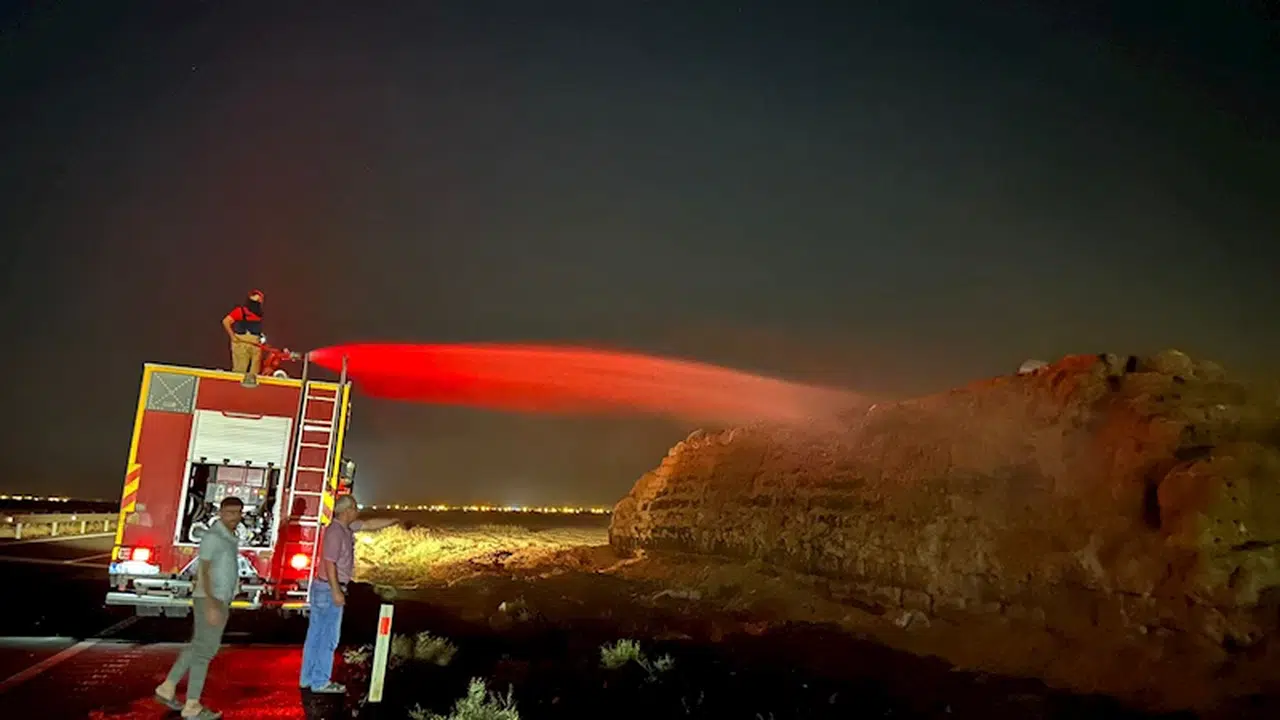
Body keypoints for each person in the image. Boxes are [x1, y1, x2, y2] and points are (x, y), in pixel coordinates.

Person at [155, 496, 244, 719]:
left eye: (238, 512)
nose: (235, 517)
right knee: (205, 652)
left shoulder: (229, 537)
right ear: (221, 513)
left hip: (218, 599)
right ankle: (192, 705)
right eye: (230, 512)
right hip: (210, 599)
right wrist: (212, 603)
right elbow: (202, 570)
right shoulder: (214, 537)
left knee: (198, 646)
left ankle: (167, 688)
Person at [300, 494, 359, 694]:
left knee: (315, 636)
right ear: (347, 510)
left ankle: (307, 678)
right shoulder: (336, 533)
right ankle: (320, 682)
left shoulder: (342, 529)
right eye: (355, 508)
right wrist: (336, 591)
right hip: (329, 588)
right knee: (329, 638)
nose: (357, 512)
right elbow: (329, 562)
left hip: (323, 587)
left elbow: (369, 524)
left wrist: (395, 521)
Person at [222, 289, 265, 375]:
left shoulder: (259, 315)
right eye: (255, 301)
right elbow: (226, 321)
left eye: (259, 301)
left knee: (255, 371)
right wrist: (232, 336)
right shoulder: (240, 311)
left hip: (255, 344)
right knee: (240, 370)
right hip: (242, 343)